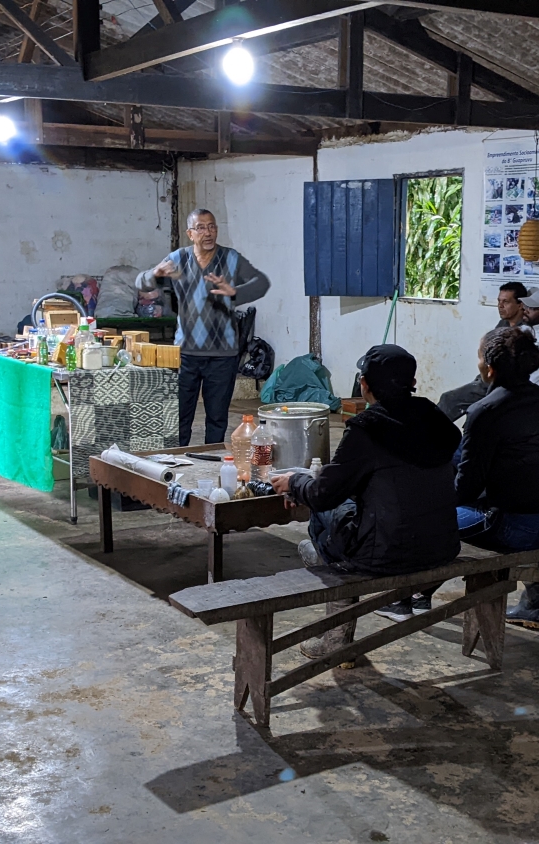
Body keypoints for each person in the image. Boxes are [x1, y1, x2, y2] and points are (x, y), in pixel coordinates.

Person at [269, 345, 460, 657]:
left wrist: (294, 482)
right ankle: (372, 599)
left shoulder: (368, 428)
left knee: (322, 515)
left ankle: (335, 632)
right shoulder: (433, 416)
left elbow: (322, 495)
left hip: (387, 555)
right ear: (412, 383)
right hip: (443, 544)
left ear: (365, 385)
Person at [454, 327, 539, 630]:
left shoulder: (485, 410)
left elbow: (466, 487)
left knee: (429, 517)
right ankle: (532, 608)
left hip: (516, 528)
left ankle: (410, 598)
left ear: (490, 368)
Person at [136, 209, 271, 446]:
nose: (208, 232)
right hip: (185, 353)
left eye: (212, 227)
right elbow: (141, 283)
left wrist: (235, 292)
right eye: (201, 227)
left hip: (223, 354)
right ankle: (176, 463)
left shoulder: (231, 258)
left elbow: (261, 283)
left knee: (217, 418)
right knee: (179, 416)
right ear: (190, 233)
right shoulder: (178, 258)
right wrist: (154, 274)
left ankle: (212, 461)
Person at [437, 281, 528, 422]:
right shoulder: (504, 323)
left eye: (506, 302)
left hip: (502, 381)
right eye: (499, 301)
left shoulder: (525, 330)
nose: (500, 306)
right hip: (488, 376)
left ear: (520, 304)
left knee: (450, 400)